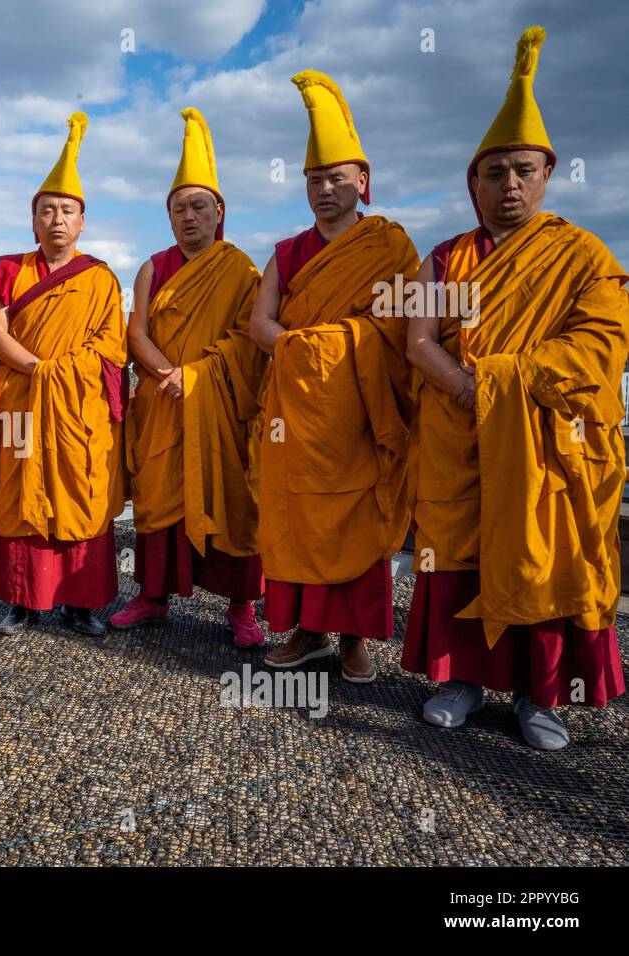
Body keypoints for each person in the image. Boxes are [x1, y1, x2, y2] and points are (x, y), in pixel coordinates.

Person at [401, 26, 628, 749]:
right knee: (460, 555)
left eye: (522, 170)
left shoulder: (583, 254)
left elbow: (600, 347)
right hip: (462, 437)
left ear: (547, 175)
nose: (508, 185)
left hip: (548, 445)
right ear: (472, 181)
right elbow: (417, 342)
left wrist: (503, 381)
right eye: (492, 172)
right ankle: (460, 679)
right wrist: (474, 393)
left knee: (547, 553)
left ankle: (542, 694)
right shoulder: (445, 259)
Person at [247, 71, 420, 681]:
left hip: (361, 411)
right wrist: (302, 346)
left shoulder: (390, 247)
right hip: (294, 411)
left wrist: (332, 343)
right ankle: (306, 630)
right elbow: (258, 323)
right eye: (314, 180)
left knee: (358, 513)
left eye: (336, 178)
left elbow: (400, 329)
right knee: (298, 516)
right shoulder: (287, 252)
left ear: (362, 182)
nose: (323, 190)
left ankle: (353, 638)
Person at [112, 107, 267, 646]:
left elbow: (249, 340)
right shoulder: (153, 267)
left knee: (232, 498)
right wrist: (167, 374)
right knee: (156, 495)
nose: (189, 217)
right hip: (161, 401)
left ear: (218, 210)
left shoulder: (241, 268)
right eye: (179, 209)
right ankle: (153, 597)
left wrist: (196, 375)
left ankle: (242, 606)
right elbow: (136, 333)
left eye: (199, 206)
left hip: (220, 406)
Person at [0, 112, 127, 637]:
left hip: (78, 409)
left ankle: (81, 602)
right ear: (34, 219)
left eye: (68, 211)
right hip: (24, 398)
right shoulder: (11, 269)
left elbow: (112, 345)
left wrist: (59, 374)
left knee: (82, 492)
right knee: (19, 494)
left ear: (82, 221)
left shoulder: (99, 277)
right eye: (48, 211)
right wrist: (36, 368)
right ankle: (24, 602)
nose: (57, 220)